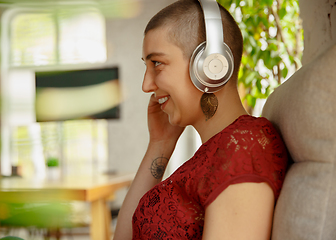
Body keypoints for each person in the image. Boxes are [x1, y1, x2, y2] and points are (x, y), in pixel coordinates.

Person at [114, 0, 288, 239]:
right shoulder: (220, 148)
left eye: (157, 64)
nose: (146, 85)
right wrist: (159, 143)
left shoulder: (243, 148)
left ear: (210, 66)